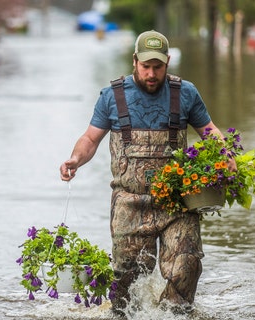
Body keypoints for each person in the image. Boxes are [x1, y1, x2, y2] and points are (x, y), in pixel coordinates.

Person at [59, 30, 233, 317]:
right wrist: (75, 160)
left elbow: (209, 131)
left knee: (187, 265)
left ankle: (171, 314)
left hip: (177, 203)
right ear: (134, 61)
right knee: (125, 287)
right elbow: (90, 139)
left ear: (167, 62)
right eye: (146, 66)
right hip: (129, 204)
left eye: (158, 66)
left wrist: (225, 155)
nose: (152, 74)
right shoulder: (112, 96)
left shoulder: (185, 93)